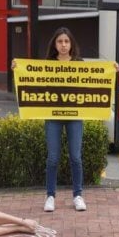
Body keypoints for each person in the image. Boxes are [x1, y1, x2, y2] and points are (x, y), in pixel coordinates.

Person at [41, 27, 87, 212]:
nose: (63, 45)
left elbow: (96, 80)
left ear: (71, 44)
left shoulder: (79, 63)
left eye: (66, 41)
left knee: (76, 157)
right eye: (60, 41)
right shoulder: (47, 63)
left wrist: (111, 69)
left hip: (75, 116)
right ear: (54, 43)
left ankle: (78, 195)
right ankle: (50, 196)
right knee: (52, 158)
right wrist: (16, 68)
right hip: (53, 116)